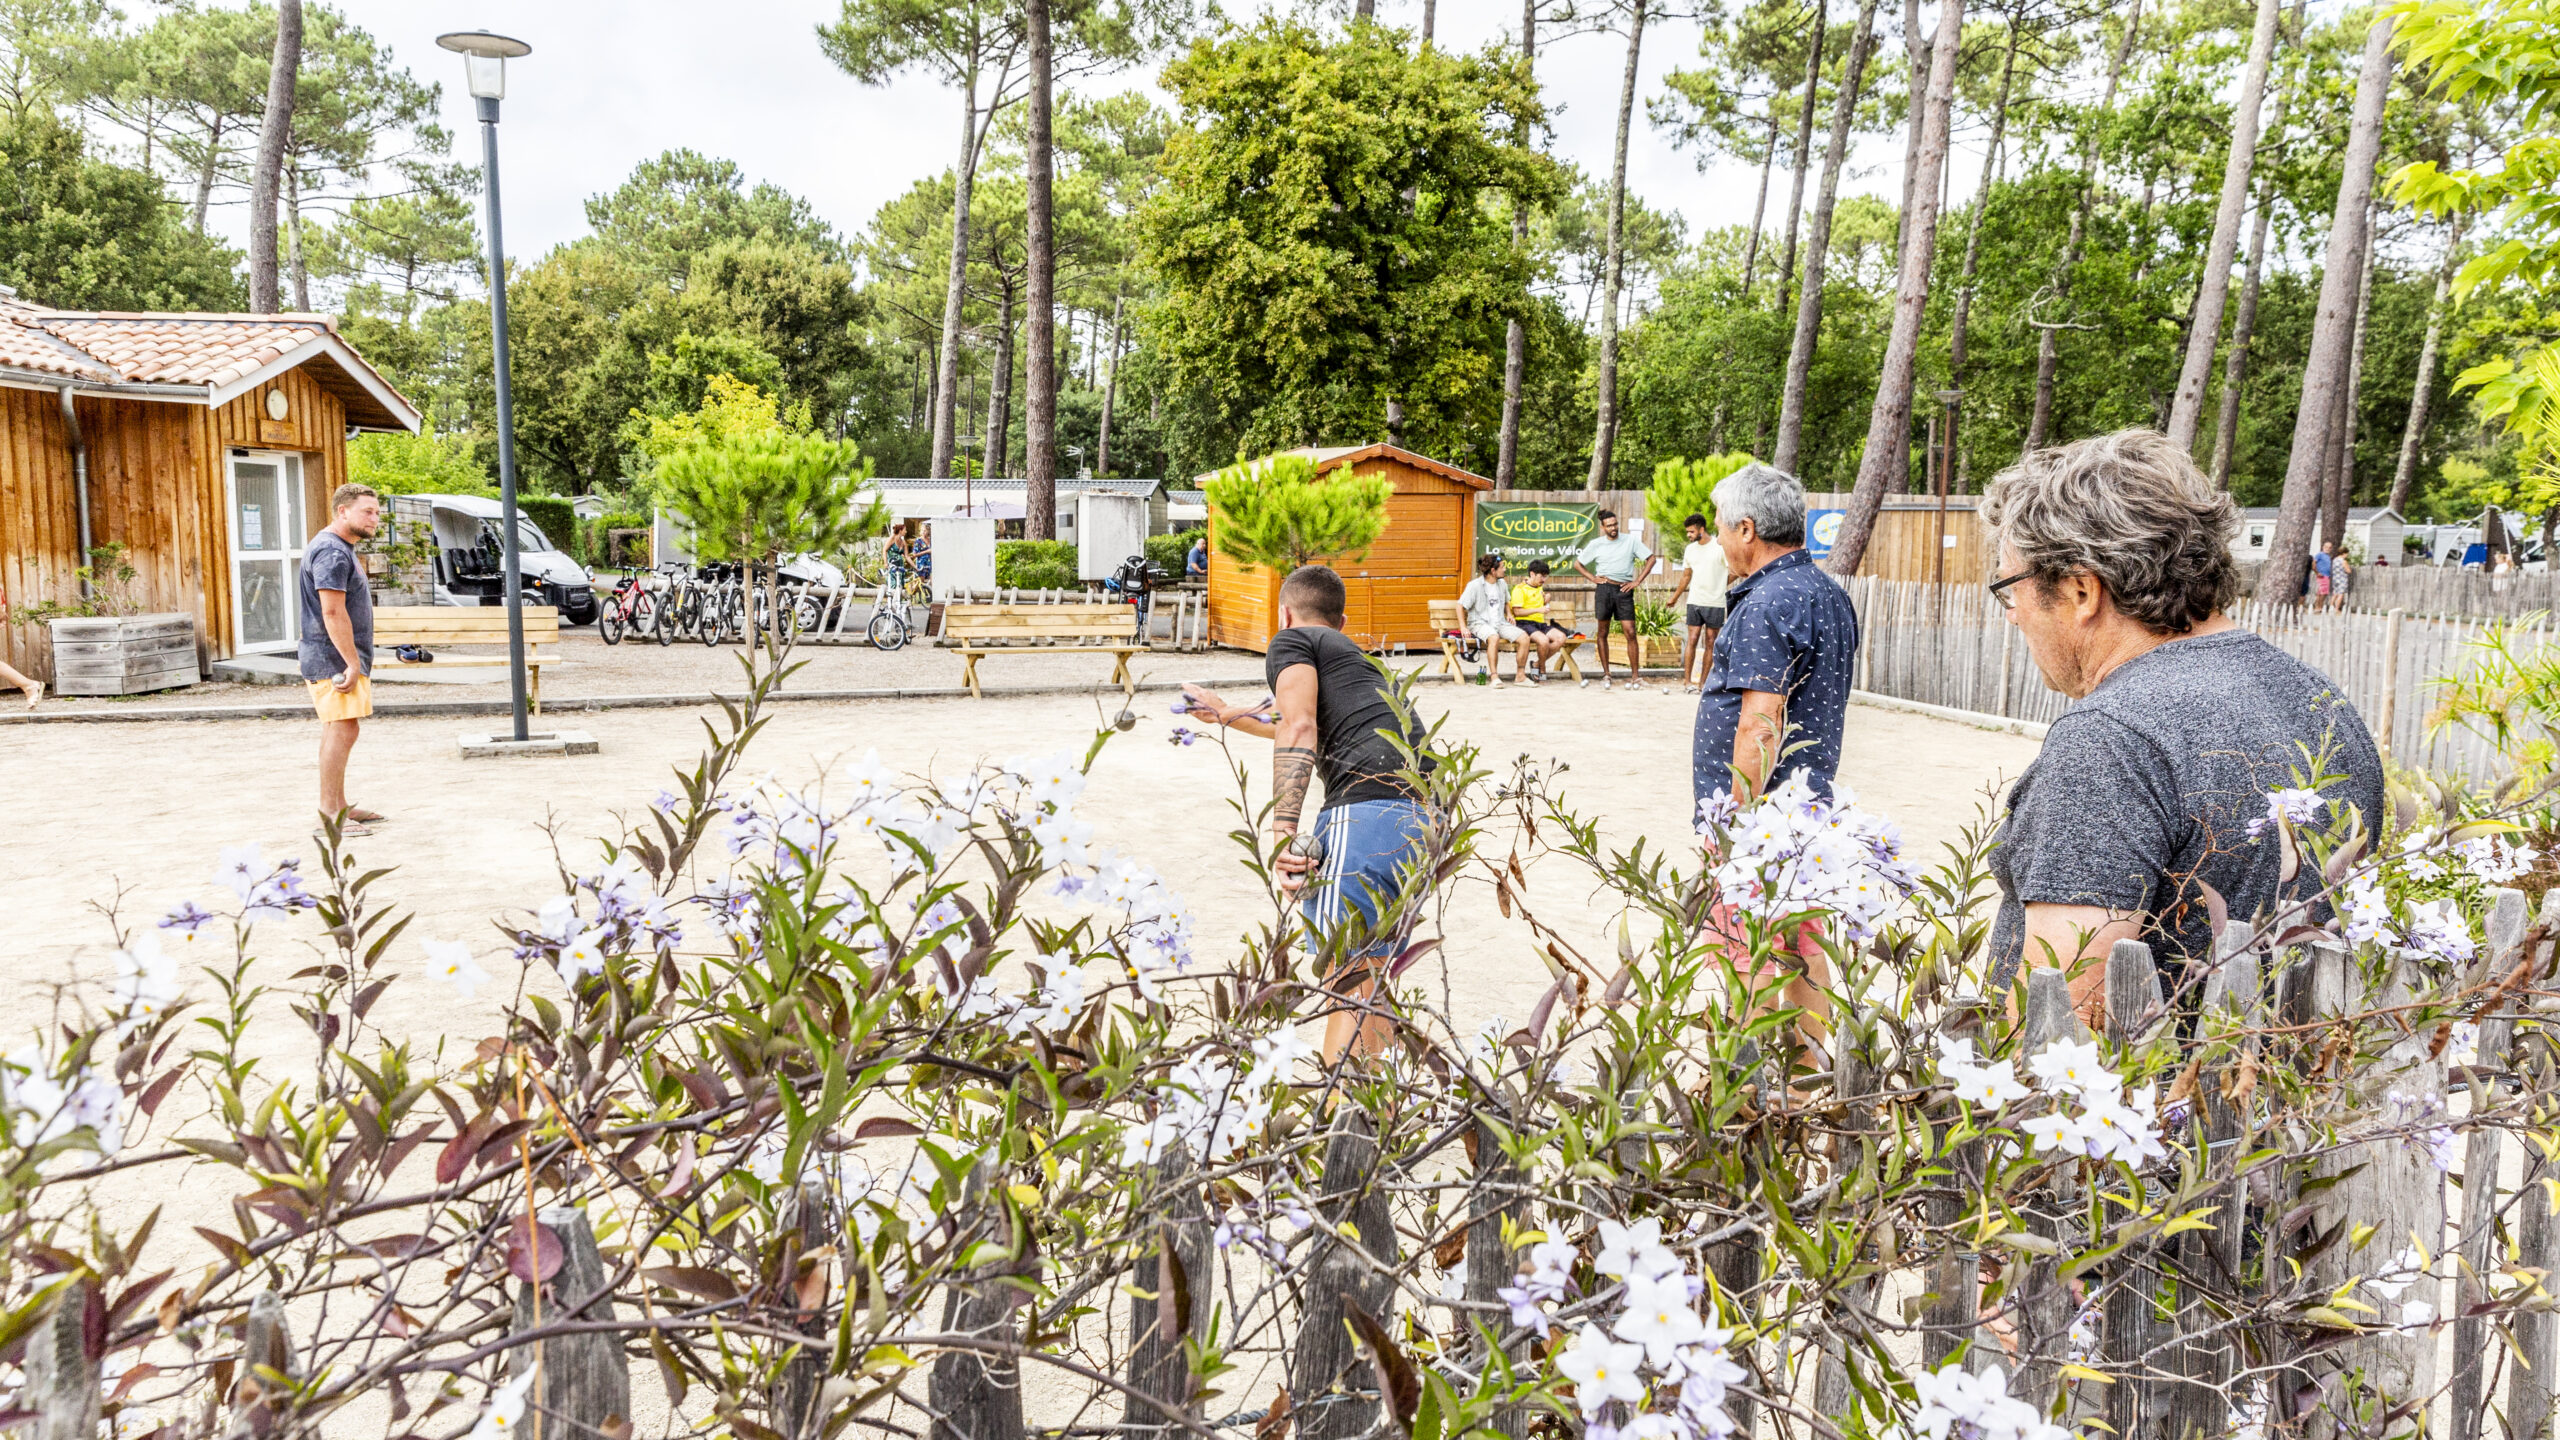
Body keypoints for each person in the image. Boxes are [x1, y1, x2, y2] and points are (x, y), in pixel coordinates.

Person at [1980, 429, 2385, 1027]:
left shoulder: (2109, 738)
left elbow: (2064, 1009)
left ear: (2082, 589)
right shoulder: (2319, 699)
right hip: (2298, 1102)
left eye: (2009, 589)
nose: (2010, 613)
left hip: (2160, 1112)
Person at [1181, 565, 1435, 1062]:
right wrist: (1226, 713)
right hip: (1425, 821)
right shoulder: (1356, 662)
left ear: (1286, 613)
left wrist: (1283, 833)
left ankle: (1339, 1112)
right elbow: (1295, 715)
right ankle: (1368, 1122)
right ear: (1341, 623)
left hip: (1366, 812)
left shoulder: (1291, 641)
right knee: (1369, 972)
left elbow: (1298, 726)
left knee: (1346, 976)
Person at [1692, 462, 1859, 1031]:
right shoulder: (1826, 593)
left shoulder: (1768, 601)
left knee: (1748, 951)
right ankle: (1810, 1076)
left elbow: (1760, 724)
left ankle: (1749, 1085)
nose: (1716, 538)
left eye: (1719, 527)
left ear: (1746, 528)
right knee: (1804, 944)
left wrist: (1732, 824)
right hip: (1805, 807)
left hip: (1761, 817)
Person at [302, 484, 384, 834]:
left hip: (333, 656)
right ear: (342, 511)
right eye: (367, 511)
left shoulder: (338, 548)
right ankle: (330, 815)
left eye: (377, 512)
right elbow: (332, 612)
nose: (375, 519)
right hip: (331, 658)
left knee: (340, 729)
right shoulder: (332, 552)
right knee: (344, 729)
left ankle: (338, 805)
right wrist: (351, 663)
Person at [1569, 509, 1656, 690]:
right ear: (1603, 527)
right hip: (1604, 589)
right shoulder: (1596, 544)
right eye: (1609, 526)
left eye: (1615, 524)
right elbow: (1577, 564)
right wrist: (1592, 578)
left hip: (1624, 589)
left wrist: (1637, 581)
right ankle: (1606, 674)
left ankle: (1635, 676)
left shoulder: (1630, 541)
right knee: (1602, 632)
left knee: (1630, 631)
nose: (1613, 528)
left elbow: (1651, 559)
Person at [1669, 512, 1728, 694]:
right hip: (1695, 601)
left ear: (1702, 529)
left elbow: (1732, 570)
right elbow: (1686, 575)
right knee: (1692, 639)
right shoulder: (1690, 550)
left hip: (1715, 602)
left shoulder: (1719, 548)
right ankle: (1687, 682)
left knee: (1710, 642)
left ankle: (1703, 684)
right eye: (1687, 532)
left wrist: (1720, 583)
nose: (1689, 535)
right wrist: (1675, 597)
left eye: (1691, 531)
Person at [1458, 553, 1533, 684]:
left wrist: (1509, 614)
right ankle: (1494, 676)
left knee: (1524, 638)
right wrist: (1463, 627)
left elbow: (1506, 601)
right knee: (1494, 637)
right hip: (1479, 623)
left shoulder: (1502, 584)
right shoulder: (1474, 585)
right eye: (1502, 567)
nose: (1504, 569)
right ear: (1493, 571)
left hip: (1500, 622)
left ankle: (1520, 676)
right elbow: (1460, 606)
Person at [1509, 560, 1571, 679]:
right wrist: (1539, 609)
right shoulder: (1519, 589)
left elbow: (1538, 603)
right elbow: (1517, 612)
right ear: (1532, 574)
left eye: (1545, 576)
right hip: (1524, 623)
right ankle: (1542, 670)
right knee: (1543, 641)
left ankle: (1536, 664)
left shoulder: (1539, 587)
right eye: (1542, 576)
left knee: (1561, 638)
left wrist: (1545, 600)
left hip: (1540, 623)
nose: (1544, 579)